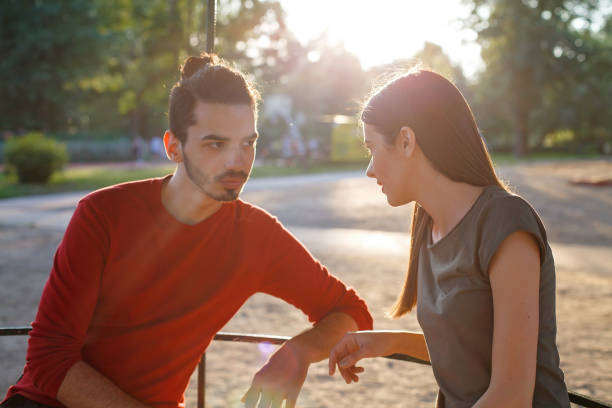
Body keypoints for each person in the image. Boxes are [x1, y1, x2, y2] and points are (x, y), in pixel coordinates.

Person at [1, 53, 373, 408]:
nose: (237, 161)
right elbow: (49, 359)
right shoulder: (104, 214)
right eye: (216, 144)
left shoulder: (258, 236)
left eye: (248, 143)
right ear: (173, 147)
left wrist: (297, 353)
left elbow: (351, 311)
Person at [328, 69, 570, 407]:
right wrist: (388, 342)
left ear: (407, 141)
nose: (369, 169)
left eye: (372, 148)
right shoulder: (429, 226)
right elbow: (468, 349)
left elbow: (512, 394)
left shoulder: (505, 222)